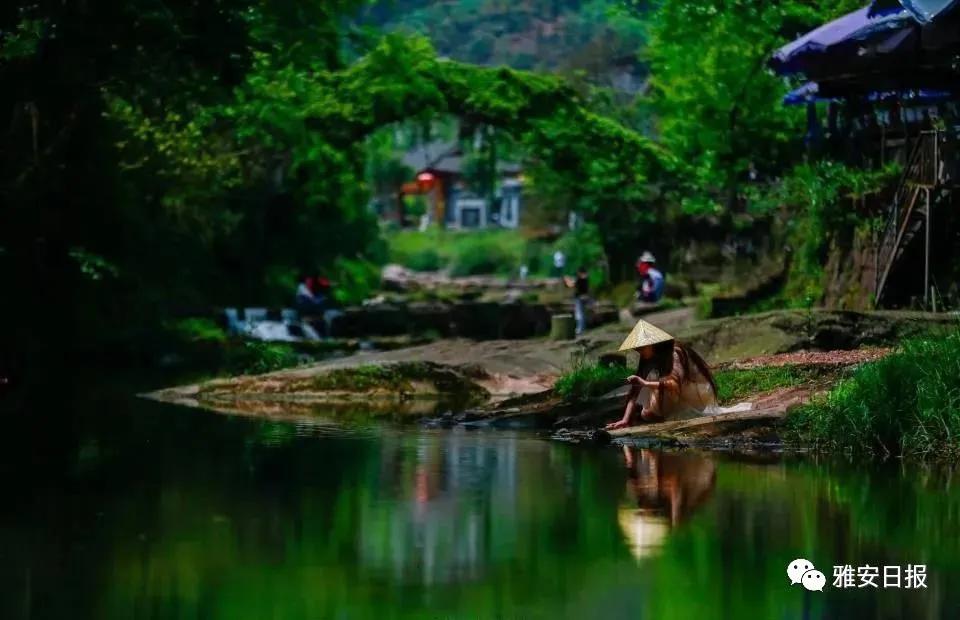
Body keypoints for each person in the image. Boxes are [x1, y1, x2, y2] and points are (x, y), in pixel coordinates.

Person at [605, 319, 717, 429]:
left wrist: (645, 383)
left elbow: (674, 384)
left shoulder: (674, 353)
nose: (639, 352)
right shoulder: (647, 357)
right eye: (637, 349)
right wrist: (625, 420)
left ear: (652, 344)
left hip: (695, 391)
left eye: (641, 348)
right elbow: (635, 391)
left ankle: (672, 414)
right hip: (675, 391)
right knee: (647, 412)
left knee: (650, 407)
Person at [564, 266, 591, 336]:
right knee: (582, 314)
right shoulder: (586, 278)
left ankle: (580, 330)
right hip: (584, 297)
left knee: (579, 314)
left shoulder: (579, 279)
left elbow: (571, 285)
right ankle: (582, 329)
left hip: (579, 298)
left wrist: (566, 280)